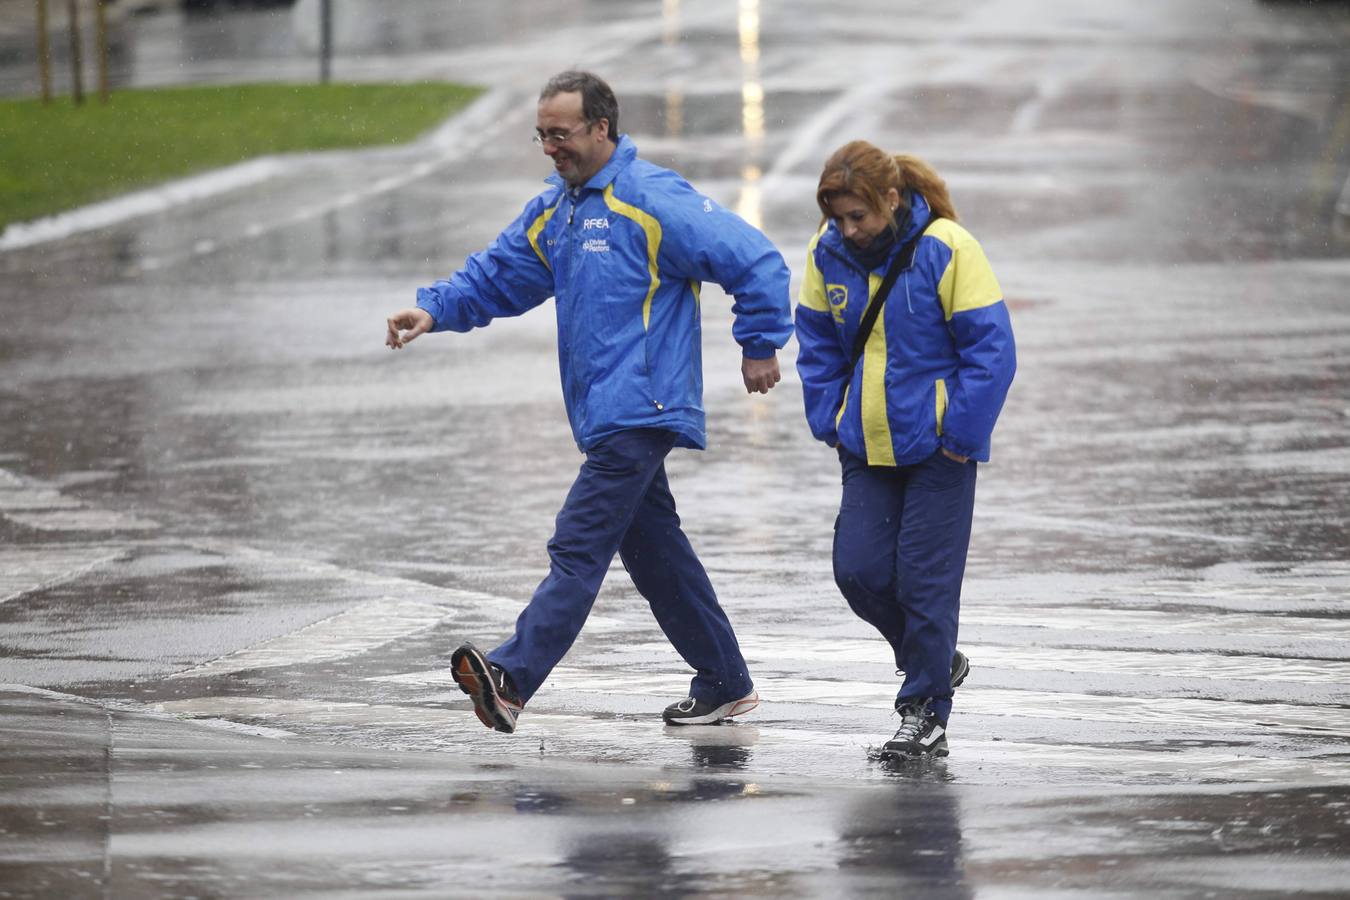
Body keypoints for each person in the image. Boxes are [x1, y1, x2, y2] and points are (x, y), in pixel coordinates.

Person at [385, 71, 792, 734]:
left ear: (602, 128)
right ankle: (725, 682)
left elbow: (754, 260)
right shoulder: (559, 209)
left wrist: (760, 343)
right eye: (542, 135)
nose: (551, 148)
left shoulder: (650, 198)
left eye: (562, 134)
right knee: (657, 555)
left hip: (644, 406)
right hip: (603, 413)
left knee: (578, 543)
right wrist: (433, 311)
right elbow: (498, 274)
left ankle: (512, 678)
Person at [794, 141, 1016, 759]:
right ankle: (935, 659)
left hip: (939, 451)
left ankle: (925, 711)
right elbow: (816, 342)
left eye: (858, 215)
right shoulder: (824, 253)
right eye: (837, 217)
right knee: (857, 572)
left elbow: (992, 352)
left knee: (924, 584)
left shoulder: (948, 247)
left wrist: (959, 440)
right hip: (864, 446)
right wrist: (830, 419)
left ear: (891, 199)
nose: (847, 229)